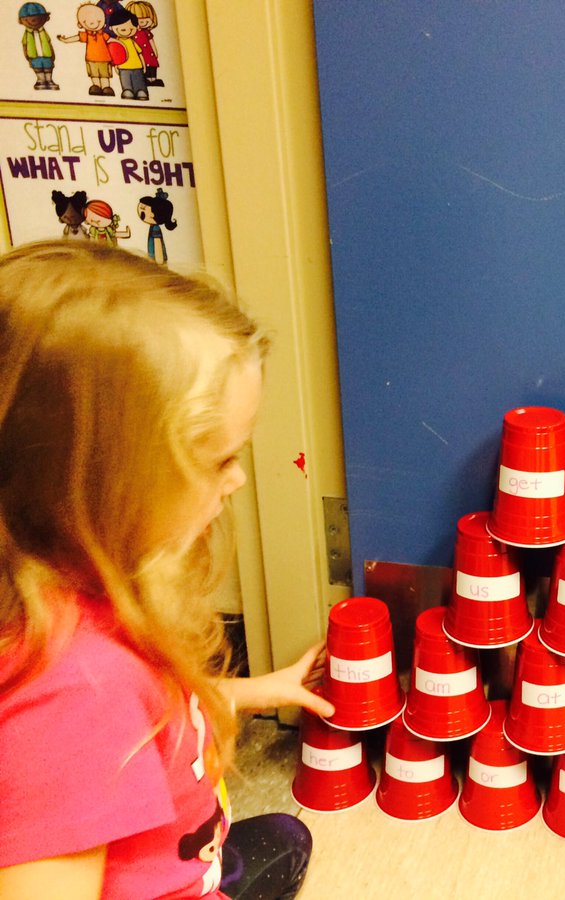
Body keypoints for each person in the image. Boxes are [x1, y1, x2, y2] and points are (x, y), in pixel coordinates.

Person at [0, 241, 335, 899]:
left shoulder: (91, 595)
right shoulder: (75, 698)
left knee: (285, 839)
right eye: (216, 461)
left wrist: (256, 689)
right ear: (102, 484)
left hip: (181, 848)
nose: (236, 479)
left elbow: (154, 710)